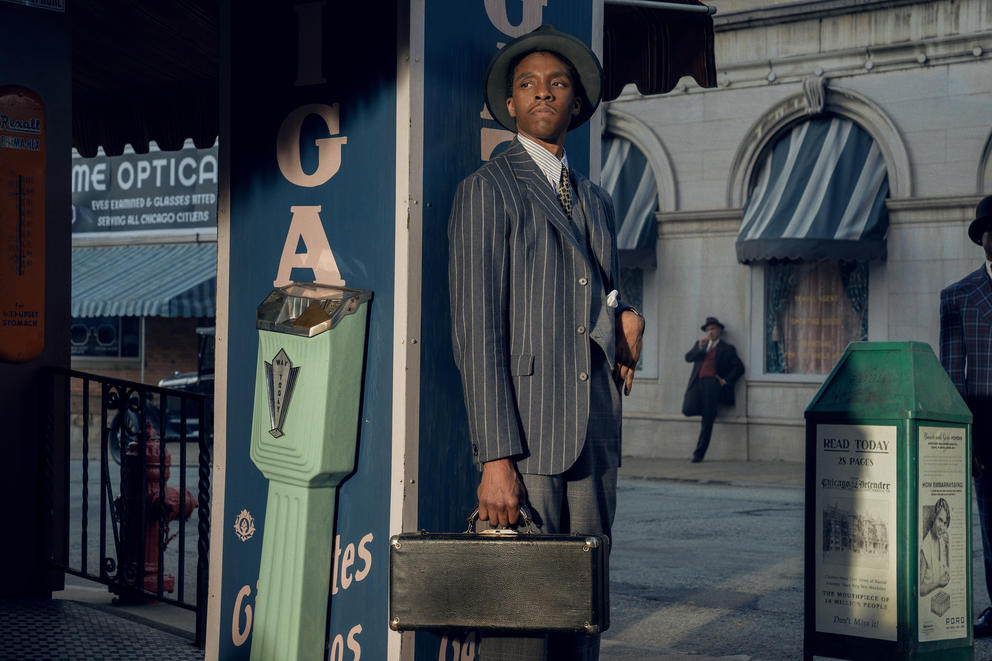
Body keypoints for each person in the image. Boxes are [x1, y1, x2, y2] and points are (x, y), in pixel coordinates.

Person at [448, 25, 645, 661]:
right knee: (522, 628)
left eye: (557, 84)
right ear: (510, 104)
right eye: (527, 84)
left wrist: (625, 319)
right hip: (529, 443)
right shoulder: (488, 189)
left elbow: (598, 293)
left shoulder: (599, 199)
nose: (542, 93)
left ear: (576, 103)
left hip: (594, 438)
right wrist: (495, 460)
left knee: (581, 623)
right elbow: (477, 334)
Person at [939, 194, 992, 636]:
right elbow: (953, 374)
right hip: (987, 423)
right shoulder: (958, 296)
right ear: (983, 239)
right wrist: (965, 438)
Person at [681, 317, 744, 463]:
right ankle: (707, 410)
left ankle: (699, 453)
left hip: (712, 384)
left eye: (713, 329)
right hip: (697, 384)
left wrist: (725, 380)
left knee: (707, 420)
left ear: (719, 331)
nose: (710, 332)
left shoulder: (727, 348)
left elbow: (739, 367)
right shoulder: (701, 344)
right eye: (708, 329)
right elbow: (688, 358)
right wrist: (700, 348)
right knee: (687, 409)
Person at [919, 498, 951, 598]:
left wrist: (947, 547)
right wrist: (937, 584)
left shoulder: (942, 540)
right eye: (940, 520)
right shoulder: (924, 548)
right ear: (934, 518)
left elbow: (946, 567)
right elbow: (919, 589)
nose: (942, 527)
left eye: (945, 523)